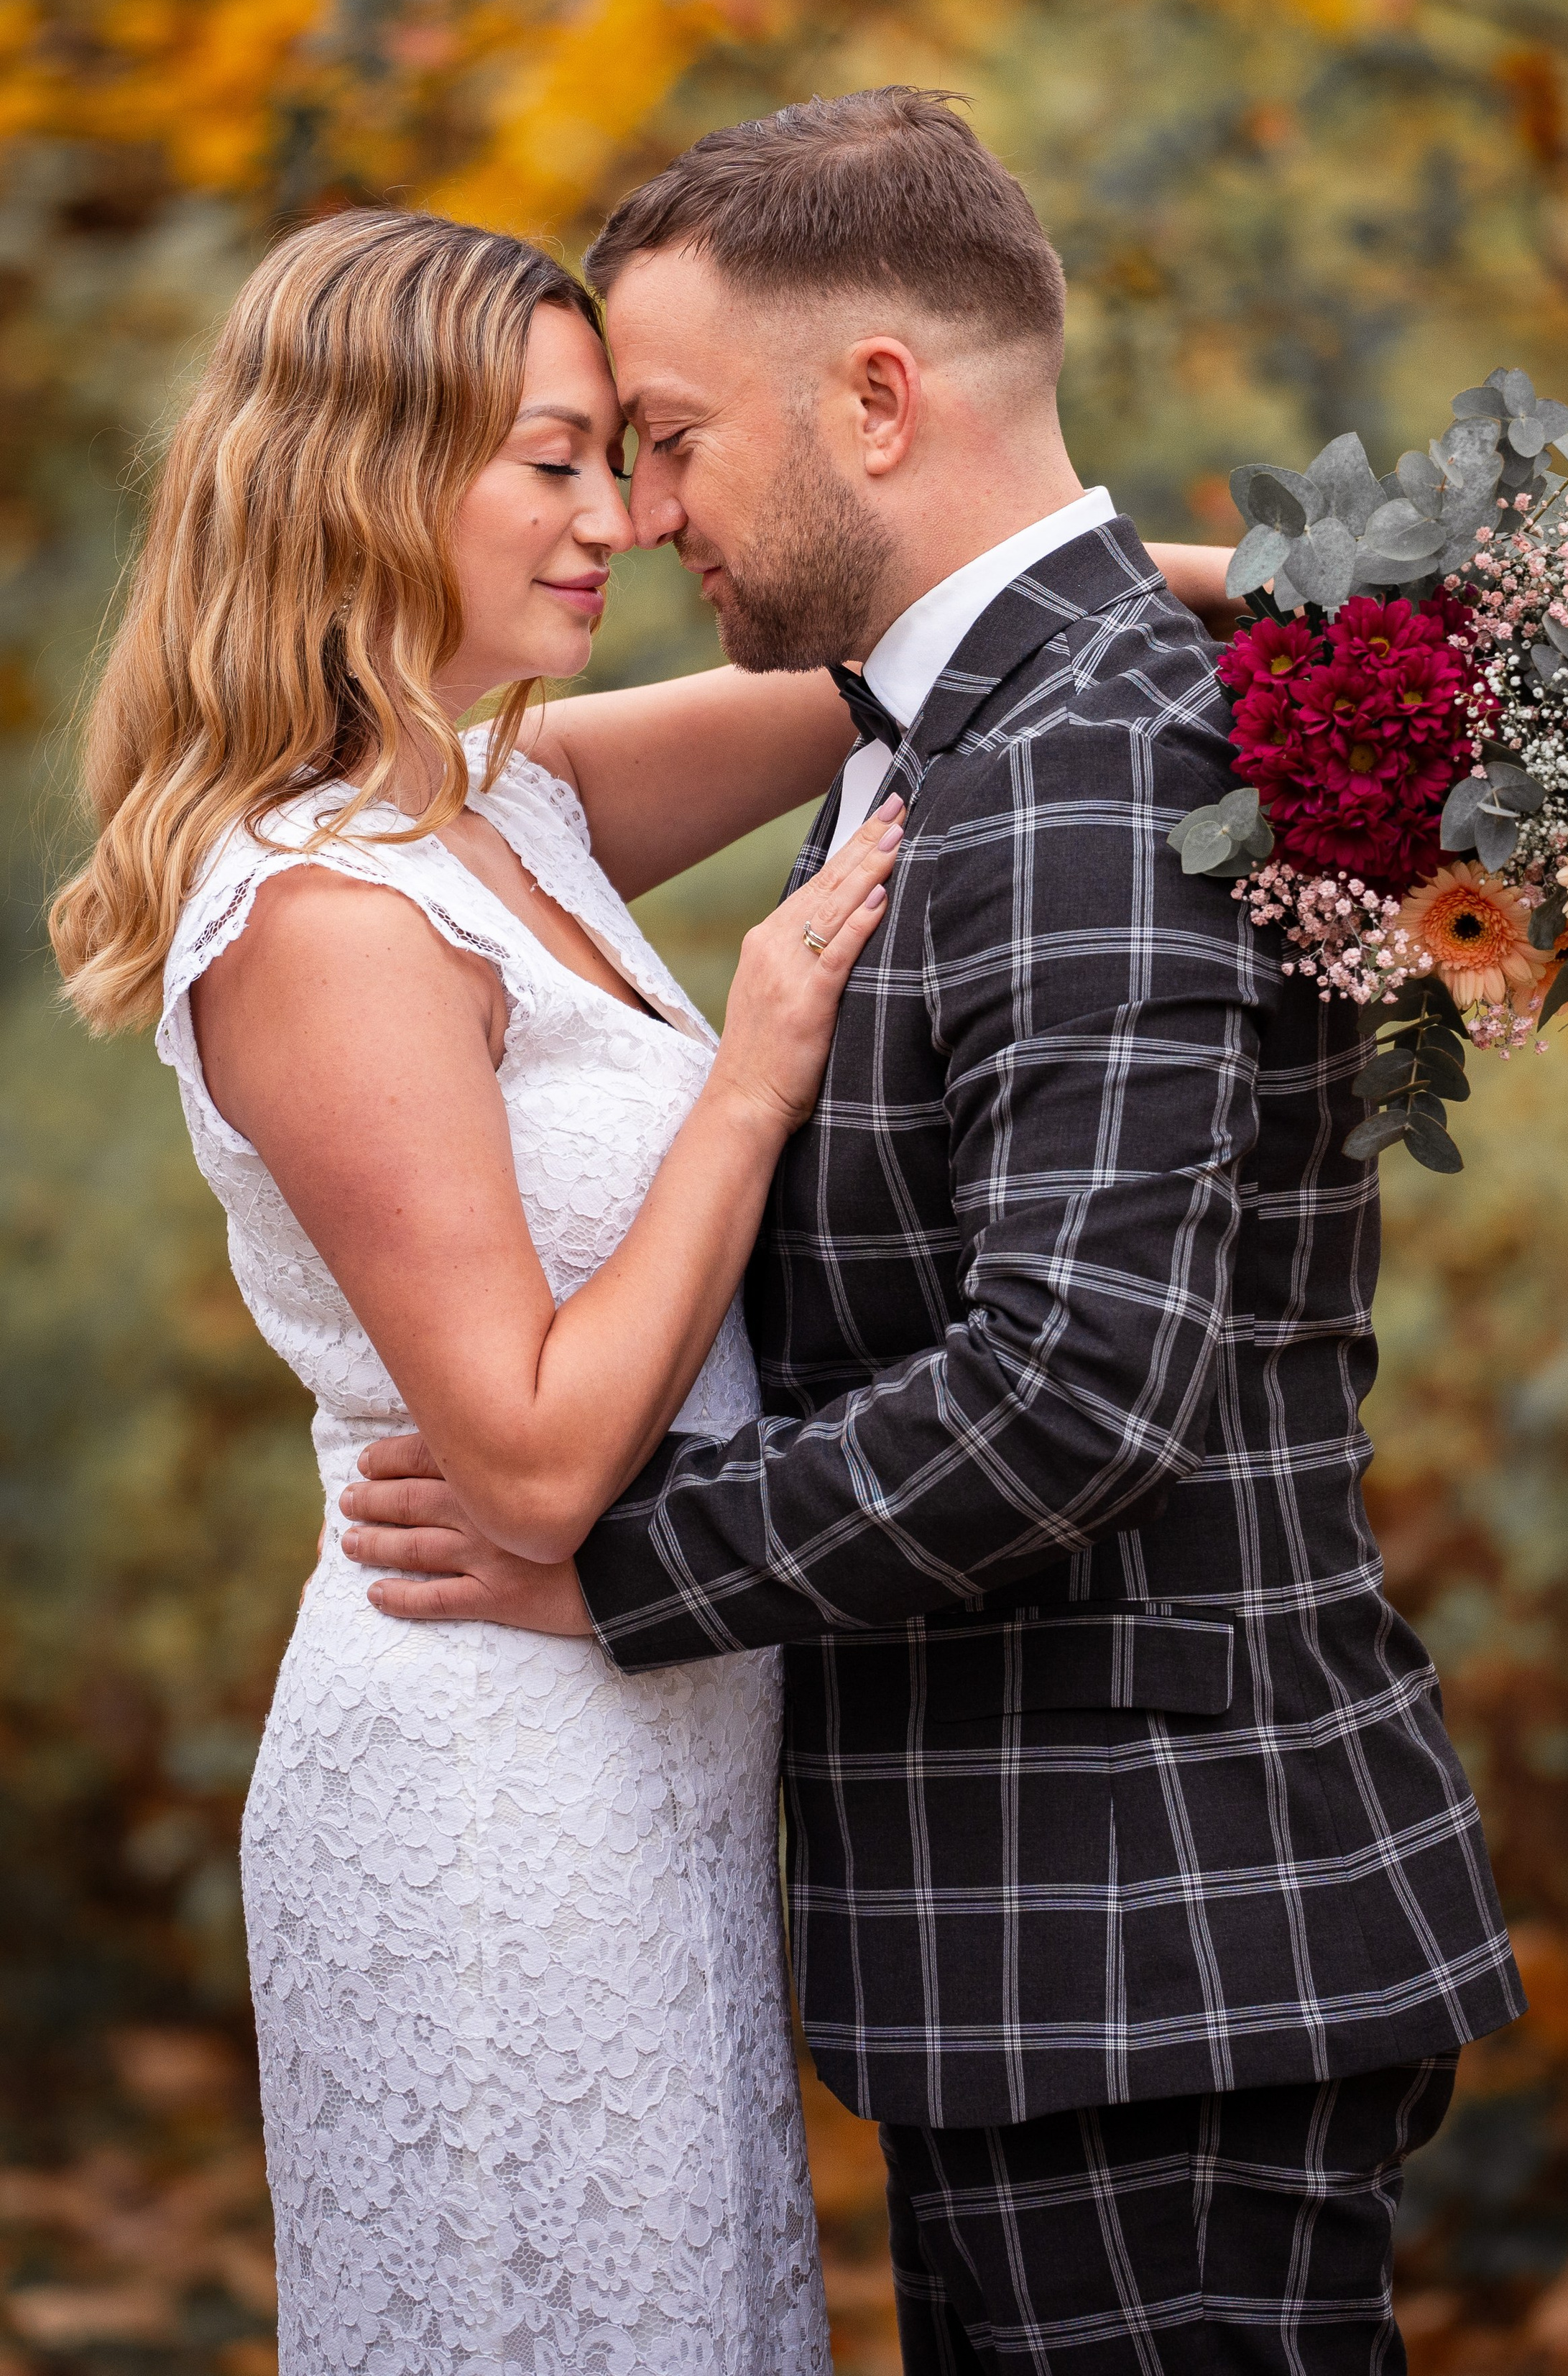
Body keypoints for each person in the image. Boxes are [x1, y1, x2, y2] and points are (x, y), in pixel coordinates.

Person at [341, 91, 1526, 2375]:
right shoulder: (965, 728)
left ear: (876, 401)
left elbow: (1074, 1384)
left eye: (673, 437)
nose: (644, 508)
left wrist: (605, 1566)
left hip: (1162, 1946)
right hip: (1041, 1954)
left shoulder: (1090, 764)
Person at [49, 194, 1236, 2373]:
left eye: (628, 453)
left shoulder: (520, 805)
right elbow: (528, 1453)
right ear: (366, 468)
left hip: (667, 1750)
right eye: (555, 460)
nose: (623, 515)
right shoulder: (321, 914)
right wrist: (755, 1071)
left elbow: (964, 627)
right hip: (491, 1775)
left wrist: (1354, 623)